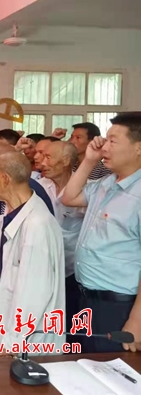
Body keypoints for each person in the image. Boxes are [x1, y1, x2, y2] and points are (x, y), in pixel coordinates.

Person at [0, 152, 65, 355]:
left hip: (19, 340)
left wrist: (11, 343)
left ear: (5, 179)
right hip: (5, 324)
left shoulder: (37, 224)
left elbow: (35, 294)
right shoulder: (15, 214)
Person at [62, 113, 141, 353]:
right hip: (85, 297)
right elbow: (69, 198)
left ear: (138, 148)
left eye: (113, 141)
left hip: (117, 306)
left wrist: (136, 321)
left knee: (110, 369)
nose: (104, 147)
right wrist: (89, 161)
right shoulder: (107, 183)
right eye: (105, 140)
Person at [37, 141, 85, 343]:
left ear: (65, 161)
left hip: (71, 269)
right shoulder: (39, 187)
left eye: (48, 157)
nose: (42, 162)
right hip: (42, 266)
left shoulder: (84, 190)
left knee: (72, 322)